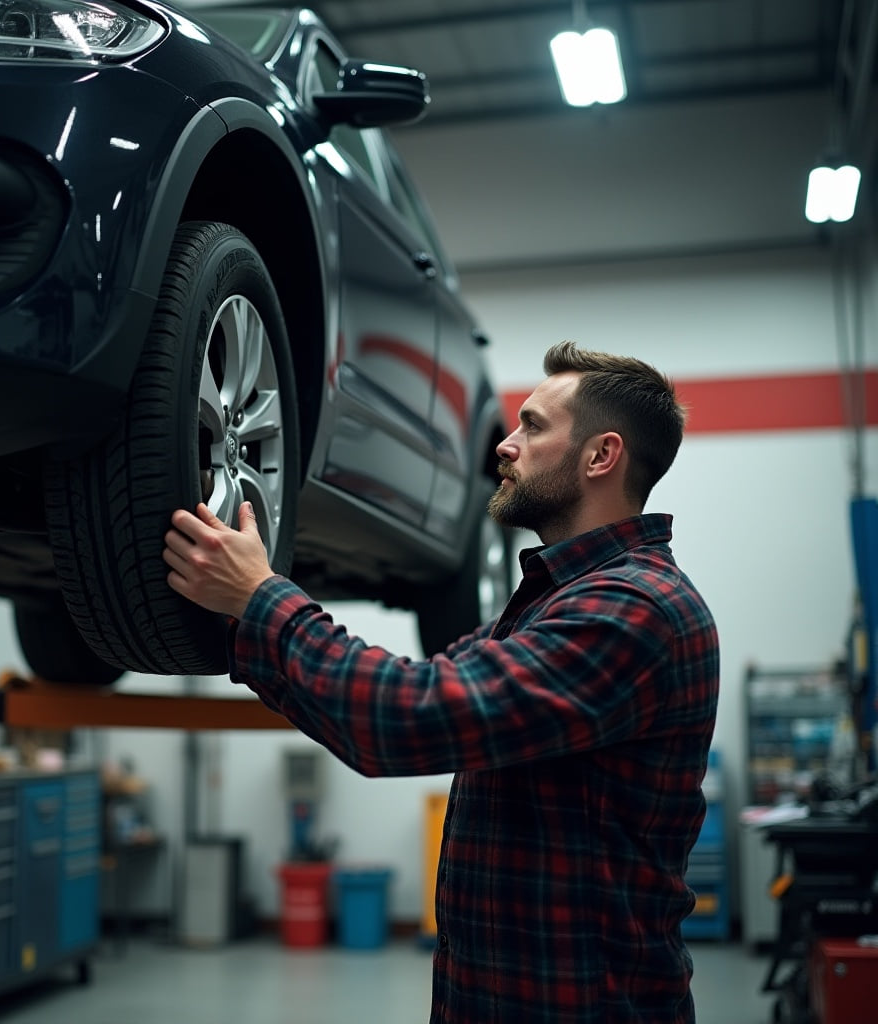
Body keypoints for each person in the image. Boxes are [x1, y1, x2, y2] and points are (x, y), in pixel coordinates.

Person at [162, 341, 720, 1024]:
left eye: (533, 427)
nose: (505, 446)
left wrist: (261, 598)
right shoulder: (554, 602)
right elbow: (397, 692)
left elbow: (403, 719)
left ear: (601, 456)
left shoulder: (634, 612)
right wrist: (240, 615)